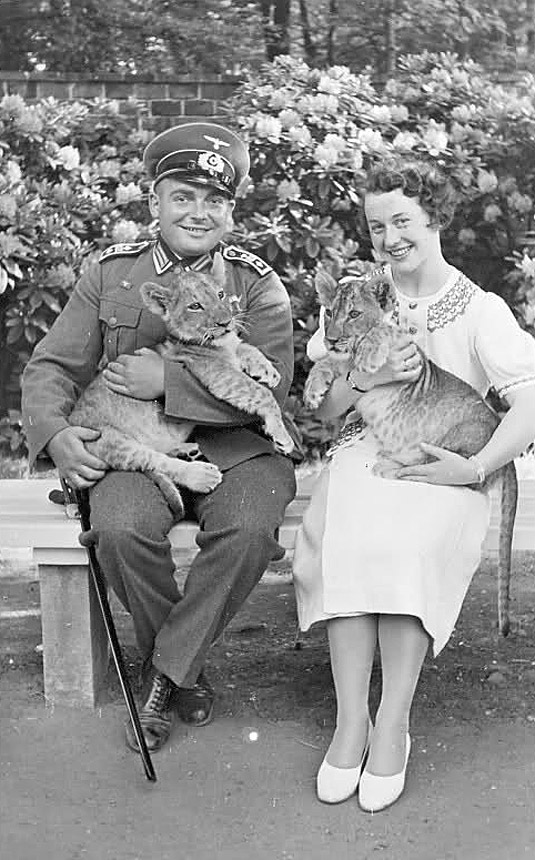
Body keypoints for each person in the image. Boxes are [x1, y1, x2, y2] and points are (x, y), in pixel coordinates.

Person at [22, 121, 299, 753]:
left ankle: (163, 674)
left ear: (231, 211)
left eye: (215, 200)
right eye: (183, 196)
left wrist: (166, 382)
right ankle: (183, 668)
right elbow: (52, 367)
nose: (199, 213)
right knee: (120, 529)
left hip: (237, 446)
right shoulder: (112, 274)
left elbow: (274, 390)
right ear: (155, 201)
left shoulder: (256, 282)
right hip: (139, 447)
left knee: (249, 531)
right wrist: (57, 434)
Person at [292, 156, 535, 812]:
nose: (389, 238)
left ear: (434, 218)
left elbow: (529, 402)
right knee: (349, 535)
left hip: (445, 458)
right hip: (365, 449)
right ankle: (350, 721)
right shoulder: (355, 296)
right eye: (377, 227)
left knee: (401, 544)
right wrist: (365, 377)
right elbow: (326, 412)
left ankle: (392, 722)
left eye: (401, 220)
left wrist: (473, 469)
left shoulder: (478, 309)